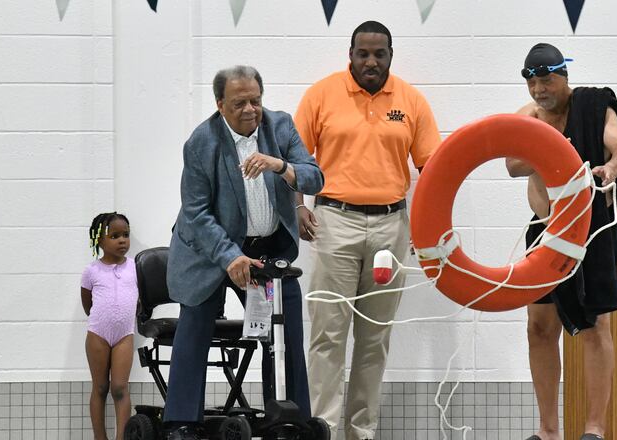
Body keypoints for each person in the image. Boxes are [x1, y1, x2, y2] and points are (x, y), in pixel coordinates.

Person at [294, 20, 442, 440]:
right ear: (351, 55)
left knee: (374, 339)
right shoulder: (321, 95)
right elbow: (293, 159)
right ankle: (322, 428)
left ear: (390, 57)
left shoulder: (411, 101)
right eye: (363, 53)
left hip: (390, 227)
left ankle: (362, 432)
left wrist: (426, 227)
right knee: (327, 335)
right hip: (334, 221)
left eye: (379, 54)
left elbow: (430, 169)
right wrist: (297, 207)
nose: (371, 61)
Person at [162, 65, 324, 440]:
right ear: (220, 104)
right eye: (239, 103)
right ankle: (181, 422)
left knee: (286, 329)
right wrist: (229, 257)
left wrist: (280, 166)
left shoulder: (279, 127)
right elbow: (196, 212)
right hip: (208, 249)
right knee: (196, 322)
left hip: (265, 249)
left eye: (256, 100)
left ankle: (292, 417)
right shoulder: (202, 142)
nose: (251, 109)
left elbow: (315, 176)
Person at [506, 43, 617, 440]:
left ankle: (594, 429)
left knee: (596, 324)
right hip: (546, 228)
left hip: (592, 228)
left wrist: (610, 169)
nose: (540, 90)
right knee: (539, 327)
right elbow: (514, 165)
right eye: (532, 82)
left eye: (547, 80)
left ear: (565, 77)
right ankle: (548, 431)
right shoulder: (527, 117)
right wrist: (549, 143)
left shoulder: (594, 107)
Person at [80, 212, 136, 440]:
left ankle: (121, 437)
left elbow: (140, 300)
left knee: (120, 388)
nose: (122, 240)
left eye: (125, 235)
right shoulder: (91, 271)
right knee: (100, 388)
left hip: (124, 335)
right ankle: (99, 437)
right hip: (98, 334)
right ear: (99, 240)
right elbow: (88, 305)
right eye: (114, 236)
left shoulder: (135, 267)